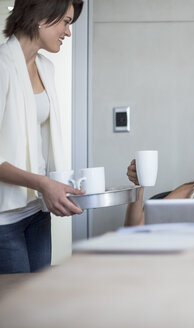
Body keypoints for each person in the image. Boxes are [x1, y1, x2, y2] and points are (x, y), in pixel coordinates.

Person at [0, 0, 85, 274]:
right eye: (66, 22)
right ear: (42, 16)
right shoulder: (2, 66)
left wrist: (55, 184)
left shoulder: (45, 68)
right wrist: (43, 183)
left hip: (36, 211)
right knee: (15, 311)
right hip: (3, 218)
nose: (68, 32)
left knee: (35, 304)